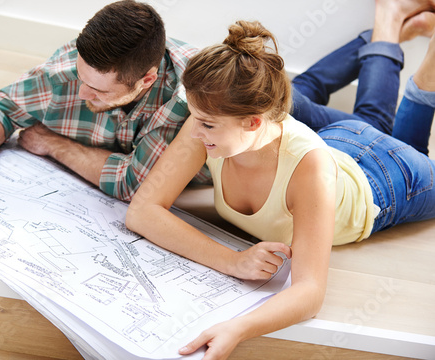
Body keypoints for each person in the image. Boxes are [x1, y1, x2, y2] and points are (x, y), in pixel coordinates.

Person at [125, 0, 435, 359]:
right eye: (194, 117)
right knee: (371, 118)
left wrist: (238, 327)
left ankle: (425, 75)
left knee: (406, 146)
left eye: (206, 123)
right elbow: (142, 211)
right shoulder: (207, 123)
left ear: (253, 122)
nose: (193, 132)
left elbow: (310, 292)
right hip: (339, 139)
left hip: (388, 179)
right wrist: (232, 261)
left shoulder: (308, 167)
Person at [0, 0, 210, 203]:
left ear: (147, 80)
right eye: (82, 78)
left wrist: (53, 144)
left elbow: (134, 184)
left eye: (98, 90)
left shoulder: (186, 98)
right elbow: (0, 108)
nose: (82, 93)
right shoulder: (68, 68)